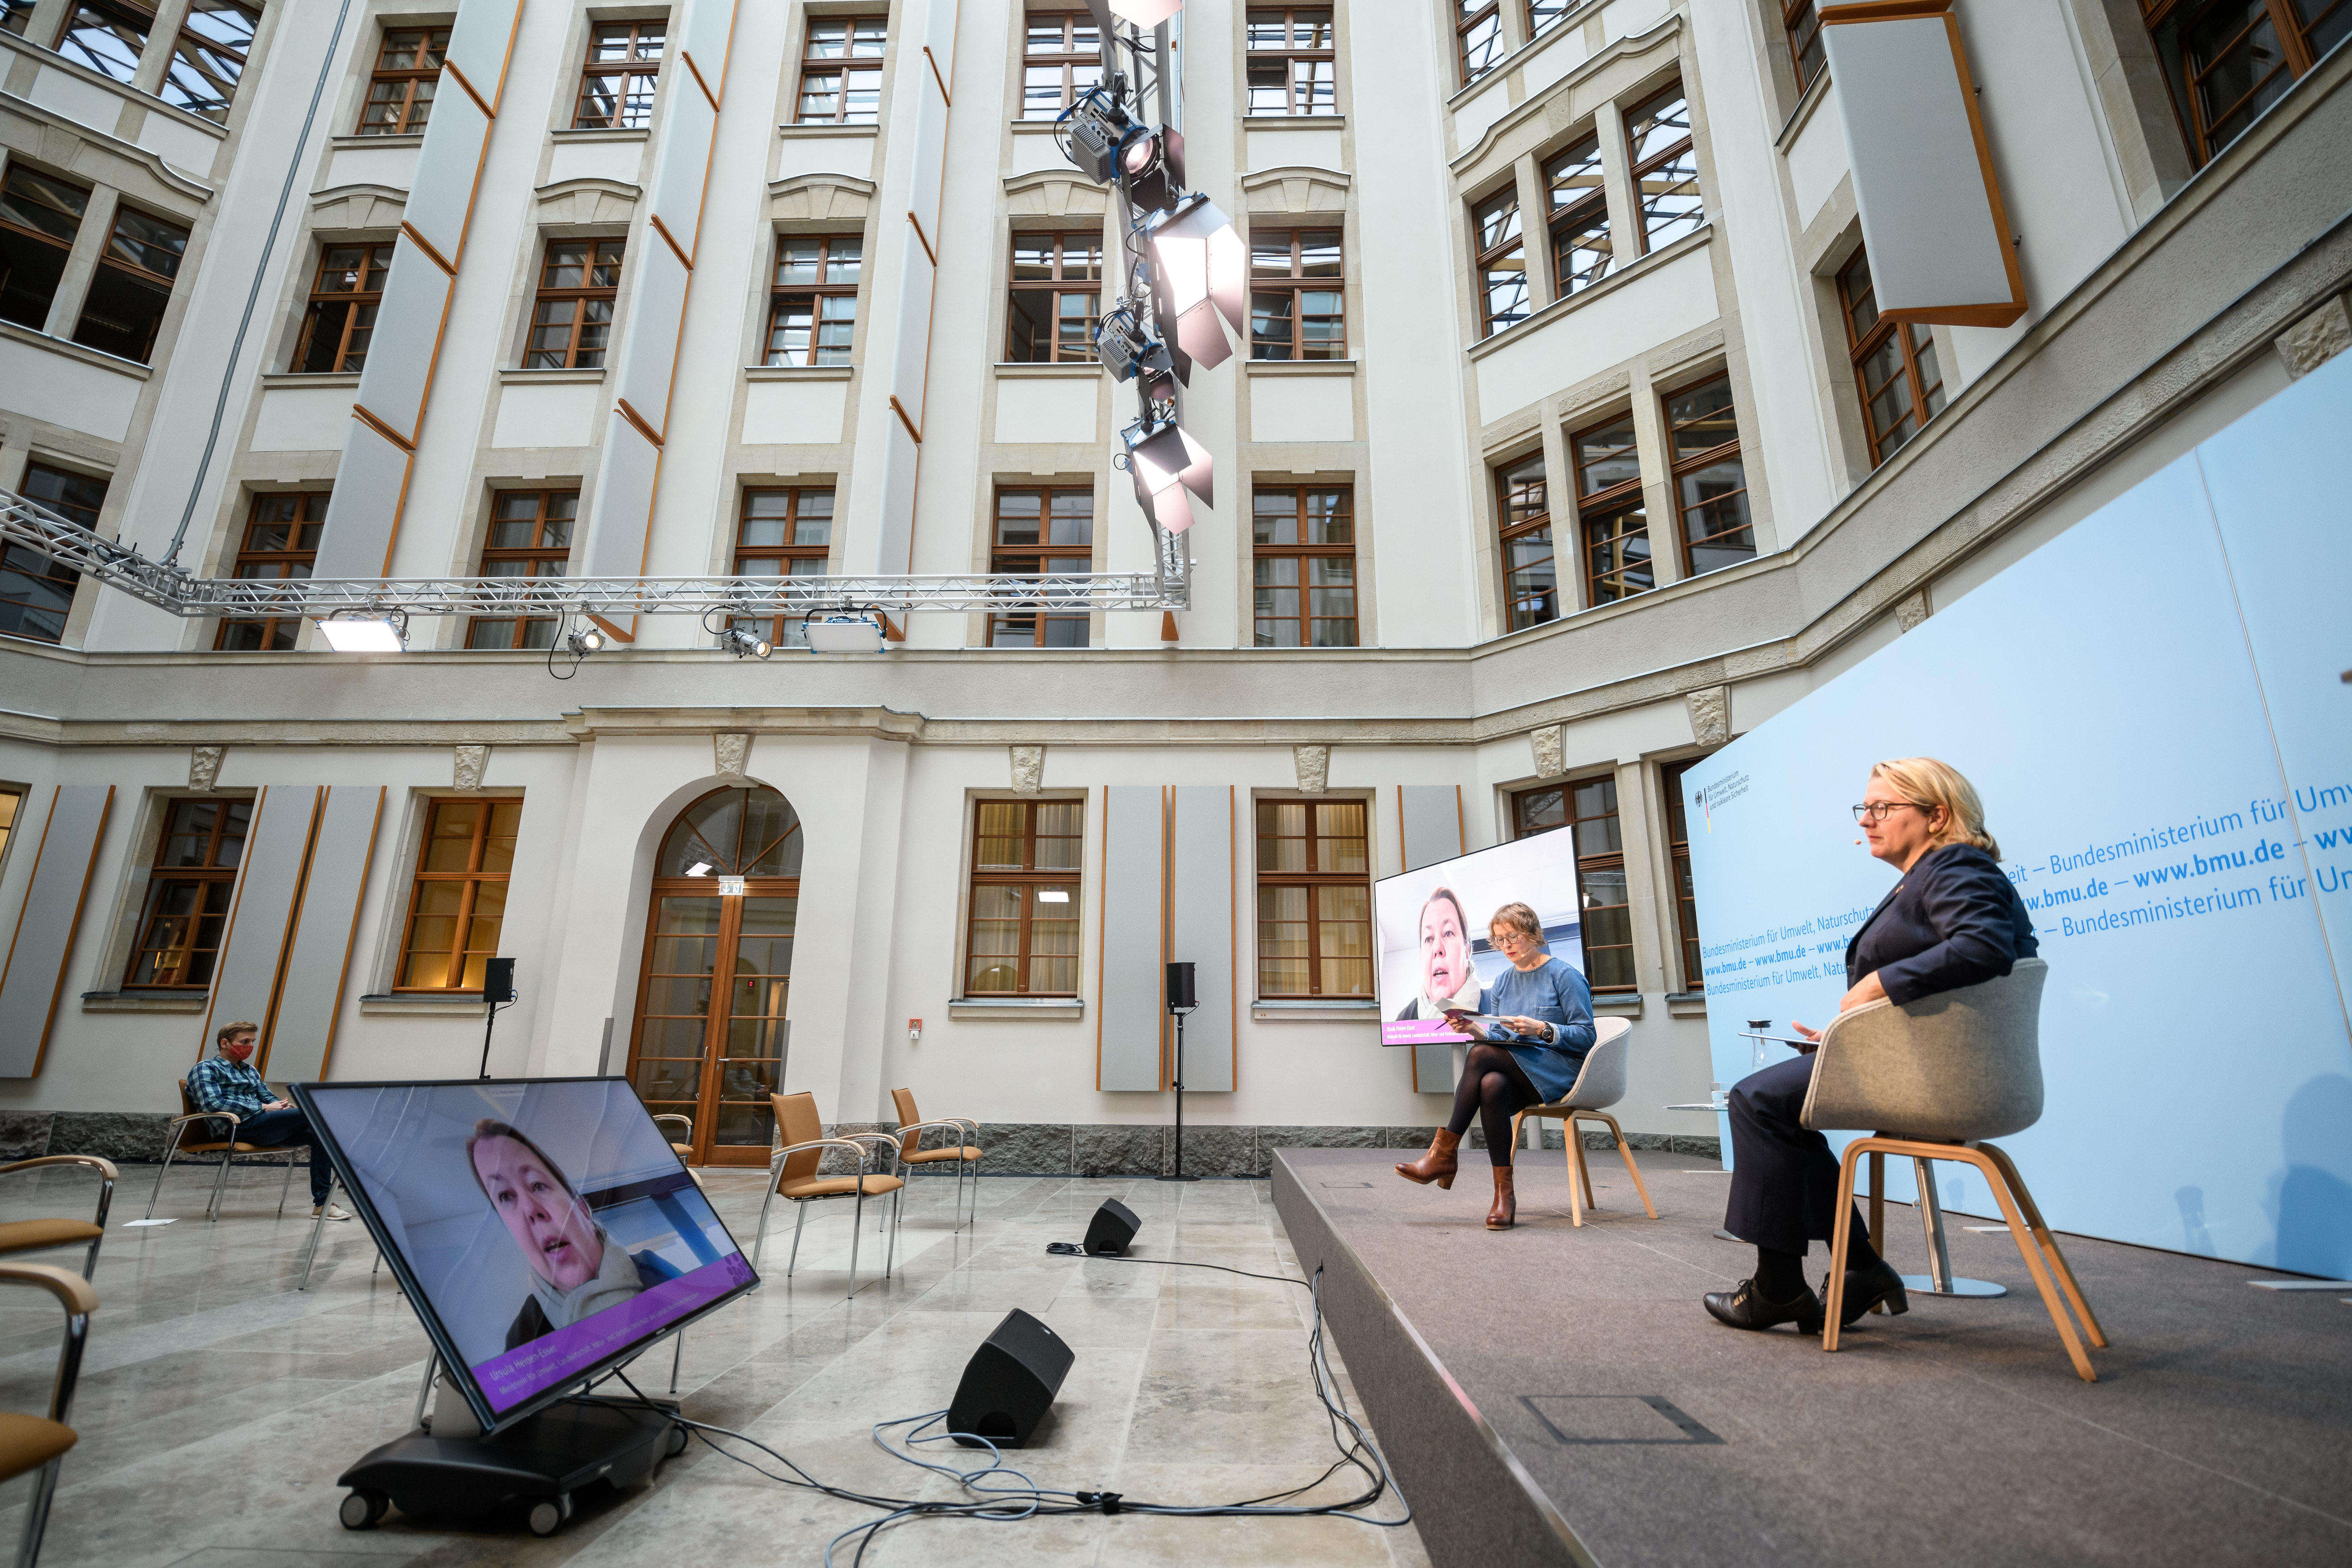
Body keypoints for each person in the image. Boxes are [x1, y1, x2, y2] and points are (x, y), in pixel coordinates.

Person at [1704, 757, 2037, 1336]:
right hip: (1918, 1062)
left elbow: (1983, 946)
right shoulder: (1931, 874)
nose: (1865, 820)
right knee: (1780, 1111)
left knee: (1756, 1099)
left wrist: (1876, 982)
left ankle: (1780, 1286)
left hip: (1939, 1076)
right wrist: (1841, 1037)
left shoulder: (1956, 865)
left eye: (1882, 807)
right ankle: (1854, 1268)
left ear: (1937, 816)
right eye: (1864, 808)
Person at [1395, 901, 1596, 1229]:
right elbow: (1500, 1037)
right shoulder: (1502, 983)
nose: (1506, 946)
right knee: (1491, 1085)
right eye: (1500, 940)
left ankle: (1443, 1154)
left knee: (1479, 1056)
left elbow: (1587, 1036)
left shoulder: (1565, 975)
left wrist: (1542, 1029)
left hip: (1560, 1071)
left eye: (1512, 937)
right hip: (1522, 1072)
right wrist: (1473, 1028)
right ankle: (1505, 1196)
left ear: (1533, 933)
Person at [466, 1119, 678, 1350]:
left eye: (537, 1184)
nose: (530, 1209)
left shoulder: (656, 1272)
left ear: (582, 1208)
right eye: (505, 1196)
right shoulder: (523, 1339)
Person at [185, 1021, 348, 1220]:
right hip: (236, 1128)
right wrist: (262, 1107)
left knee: (319, 1133)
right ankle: (349, 1178)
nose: (250, 1047)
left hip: (263, 1126)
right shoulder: (206, 1068)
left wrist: (282, 1107)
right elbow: (214, 1104)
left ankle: (323, 1204)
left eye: (252, 1042)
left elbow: (269, 1098)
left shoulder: (250, 1070)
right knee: (318, 1112)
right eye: (245, 1041)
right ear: (225, 1043)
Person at [1391, 886, 1483, 1023]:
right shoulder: (1404, 1020)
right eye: (1429, 939)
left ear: (1467, 951)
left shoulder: (1496, 1006)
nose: (1437, 949)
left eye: (1448, 933)